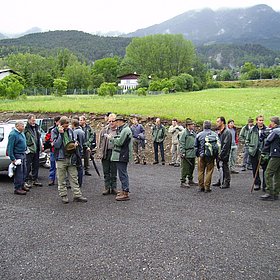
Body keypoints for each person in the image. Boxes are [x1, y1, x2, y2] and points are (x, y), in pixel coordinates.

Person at [51, 116, 87, 204]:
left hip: (71, 157)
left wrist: (75, 143)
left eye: (68, 125)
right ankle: (63, 196)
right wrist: (61, 134)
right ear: (60, 125)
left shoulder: (70, 131)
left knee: (74, 177)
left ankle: (77, 195)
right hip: (60, 158)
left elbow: (73, 140)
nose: (67, 127)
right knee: (61, 178)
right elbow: (56, 145)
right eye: (65, 126)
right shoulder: (54, 131)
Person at [109, 115, 132, 201]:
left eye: (117, 121)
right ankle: (124, 190)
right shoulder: (124, 129)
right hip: (122, 154)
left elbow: (119, 142)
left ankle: (125, 192)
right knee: (122, 173)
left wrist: (111, 138)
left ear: (121, 121)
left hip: (122, 155)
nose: (116, 123)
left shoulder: (125, 130)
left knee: (123, 174)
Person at [195, 120, 219, 193]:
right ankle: (207, 187)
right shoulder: (214, 134)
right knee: (209, 171)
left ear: (203, 126)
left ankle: (200, 186)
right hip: (211, 156)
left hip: (201, 156)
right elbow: (217, 146)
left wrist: (198, 155)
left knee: (200, 171)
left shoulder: (199, 134)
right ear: (210, 126)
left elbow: (196, 146)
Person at [260, 116, 280, 201]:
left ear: (274, 123)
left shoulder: (275, 131)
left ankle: (269, 192)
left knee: (268, 173)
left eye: (271, 122)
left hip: (275, 154)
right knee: (278, 174)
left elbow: (268, 140)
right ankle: (276, 193)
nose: (270, 123)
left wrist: (263, 151)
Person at [7, 121, 30, 195]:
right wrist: (13, 158)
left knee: (24, 171)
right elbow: (10, 147)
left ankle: (22, 185)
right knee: (19, 172)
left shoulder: (21, 133)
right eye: (22, 126)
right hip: (17, 155)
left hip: (23, 154)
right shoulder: (13, 134)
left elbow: (24, 142)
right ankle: (17, 188)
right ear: (17, 126)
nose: (23, 127)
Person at [246, 115, 267, 191]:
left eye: (262, 120)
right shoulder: (252, 130)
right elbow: (247, 140)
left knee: (265, 169)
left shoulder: (267, 130)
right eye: (260, 120)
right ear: (256, 121)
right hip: (254, 152)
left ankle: (265, 185)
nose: (261, 122)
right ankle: (257, 183)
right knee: (255, 169)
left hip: (264, 152)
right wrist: (249, 148)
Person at [99, 113, 118, 195]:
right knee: (106, 171)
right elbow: (100, 142)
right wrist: (100, 153)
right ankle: (107, 187)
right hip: (106, 152)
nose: (111, 123)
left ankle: (114, 187)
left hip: (114, 152)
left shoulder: (119, 130)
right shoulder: (104, 130)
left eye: (113, 121)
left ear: (116, 121)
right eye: (110, 121)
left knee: (113, 171)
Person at [213, 117, 232, 189]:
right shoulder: (220, 132)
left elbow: (226, 145)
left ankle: (227, 182)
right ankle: (221, 180)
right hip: (219, 153)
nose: (216, 123)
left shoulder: (227, 132)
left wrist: (221, 154)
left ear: (222, 122)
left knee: (225, 167)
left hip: (224, 154)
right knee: (220, 167)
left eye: (218, 121)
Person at [24, 114, 43, 187]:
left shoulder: (36, 127)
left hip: (36, 149)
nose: (34, 122)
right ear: (28, 120)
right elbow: (24, 139)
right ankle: (26, 181)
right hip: (29, 149)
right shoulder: (26, 128)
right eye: (32, 120)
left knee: (36, 165)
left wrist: (41, 146)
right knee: (27, 166)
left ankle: (35, 179)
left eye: (34, 120)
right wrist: (26, 148)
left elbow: (38, 137)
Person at [179, 118, 197, 188]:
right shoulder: (184, 133)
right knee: (185, 168)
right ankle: (183, 181)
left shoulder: (193, 132)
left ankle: (190, 180)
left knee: (191, 167)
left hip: (192, 153)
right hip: (186, 153)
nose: (193, 126)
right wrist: (182, 152)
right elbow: (181, 143)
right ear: (188, 125)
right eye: (192, 124)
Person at [45, 116, 60, 186]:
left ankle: (61, 180)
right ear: (55, 122)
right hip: (53, 150)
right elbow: (47, 139)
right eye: (59, 121)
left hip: (60, 150)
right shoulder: (51, 129)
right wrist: (50, 143)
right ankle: (51, 179)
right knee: (52, 165)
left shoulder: (64, 129)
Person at [71, 118, 85, 188]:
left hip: (77, 151)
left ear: (73, 124)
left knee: (76, 167)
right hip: (81, 150)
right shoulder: (82, 131)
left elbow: (75, 140)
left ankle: (77, 183)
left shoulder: (75, 132)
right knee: (80, 167)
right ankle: (80, 182)